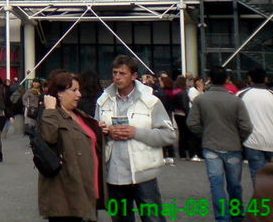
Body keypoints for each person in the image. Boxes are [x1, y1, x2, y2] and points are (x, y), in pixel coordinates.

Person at [95, 55, 176, 222]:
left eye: (122, 73)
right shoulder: (103, 101)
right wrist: (105, 132)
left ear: (134, 76)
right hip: (114, 174)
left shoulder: (151, 101)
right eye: (115, 73)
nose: (117, 77)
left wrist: (136, 133)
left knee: (153, 218)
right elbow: (95, 133)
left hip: (143, 173)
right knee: (120, 219)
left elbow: (169, 135)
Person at [187, 66, 253, 222]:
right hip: (233, 146)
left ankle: (222, 216)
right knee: (234, 184)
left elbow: (192, 123)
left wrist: (203, 133)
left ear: (210, 79)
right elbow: (247, 127)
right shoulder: (235, 100)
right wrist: (239, 138)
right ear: (226, 80)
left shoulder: (201, 100)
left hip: (210, 145)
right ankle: (236, 215)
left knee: (216, 183)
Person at [38, 70, 105, 222]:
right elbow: (48, 138)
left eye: (79, 90)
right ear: (60, 93)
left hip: (86, 186)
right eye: (74, 90)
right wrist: (49, 110)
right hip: (65, 192)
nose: (79, 94)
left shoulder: (80, 115)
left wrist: (100, 130)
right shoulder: (51, 115)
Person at [238, 67, 273, 186]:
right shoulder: (271, 94)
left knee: (257, 176)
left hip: (252, 141)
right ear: (266, 79)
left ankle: (261, 197)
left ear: (249, 78)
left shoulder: (242, 94)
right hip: (271, 141)